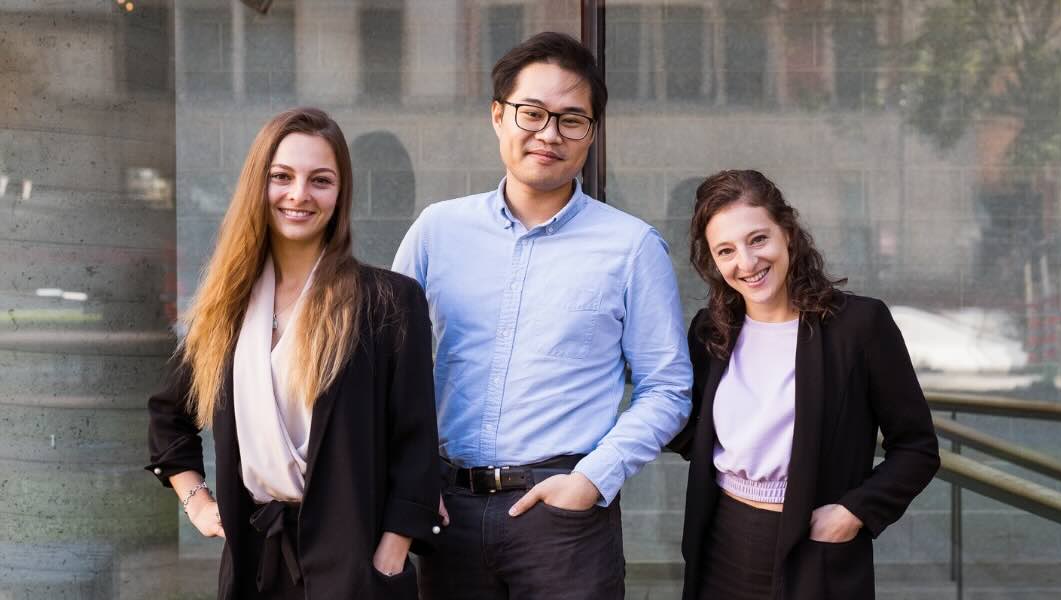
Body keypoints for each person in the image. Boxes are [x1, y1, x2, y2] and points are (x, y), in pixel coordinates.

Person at [392, 32, 691, 600]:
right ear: (498, 116)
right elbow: (386, 365)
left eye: (571, 120)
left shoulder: (631, 247)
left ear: (591, 134)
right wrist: (409, 479)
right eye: (532, 113)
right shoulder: (437, 231)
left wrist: (591, 480)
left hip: (565, 521)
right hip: (446, 511)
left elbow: (668, 388)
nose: (549, 134)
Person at [147, 107, 440, 599]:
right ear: (257, 186)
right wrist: (196, 501)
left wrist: (392, 549)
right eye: (281, 177)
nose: (299, 194)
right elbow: (168, 414)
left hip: (357, 564)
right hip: (256, 563)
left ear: (340, 193)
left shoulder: (388, 301)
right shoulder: (227, 307)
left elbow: (415, 440)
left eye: (320, 180)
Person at [671, 170, 940, 600]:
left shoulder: (859, 327)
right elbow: (688, 425)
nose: (746, 262)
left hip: (815, 545)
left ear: (788, 234)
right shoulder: (710, 331)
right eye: (726, 251)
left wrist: (855, 511)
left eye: (758, 239)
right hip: (720, 540)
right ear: (714, 262)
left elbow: (917, 448)